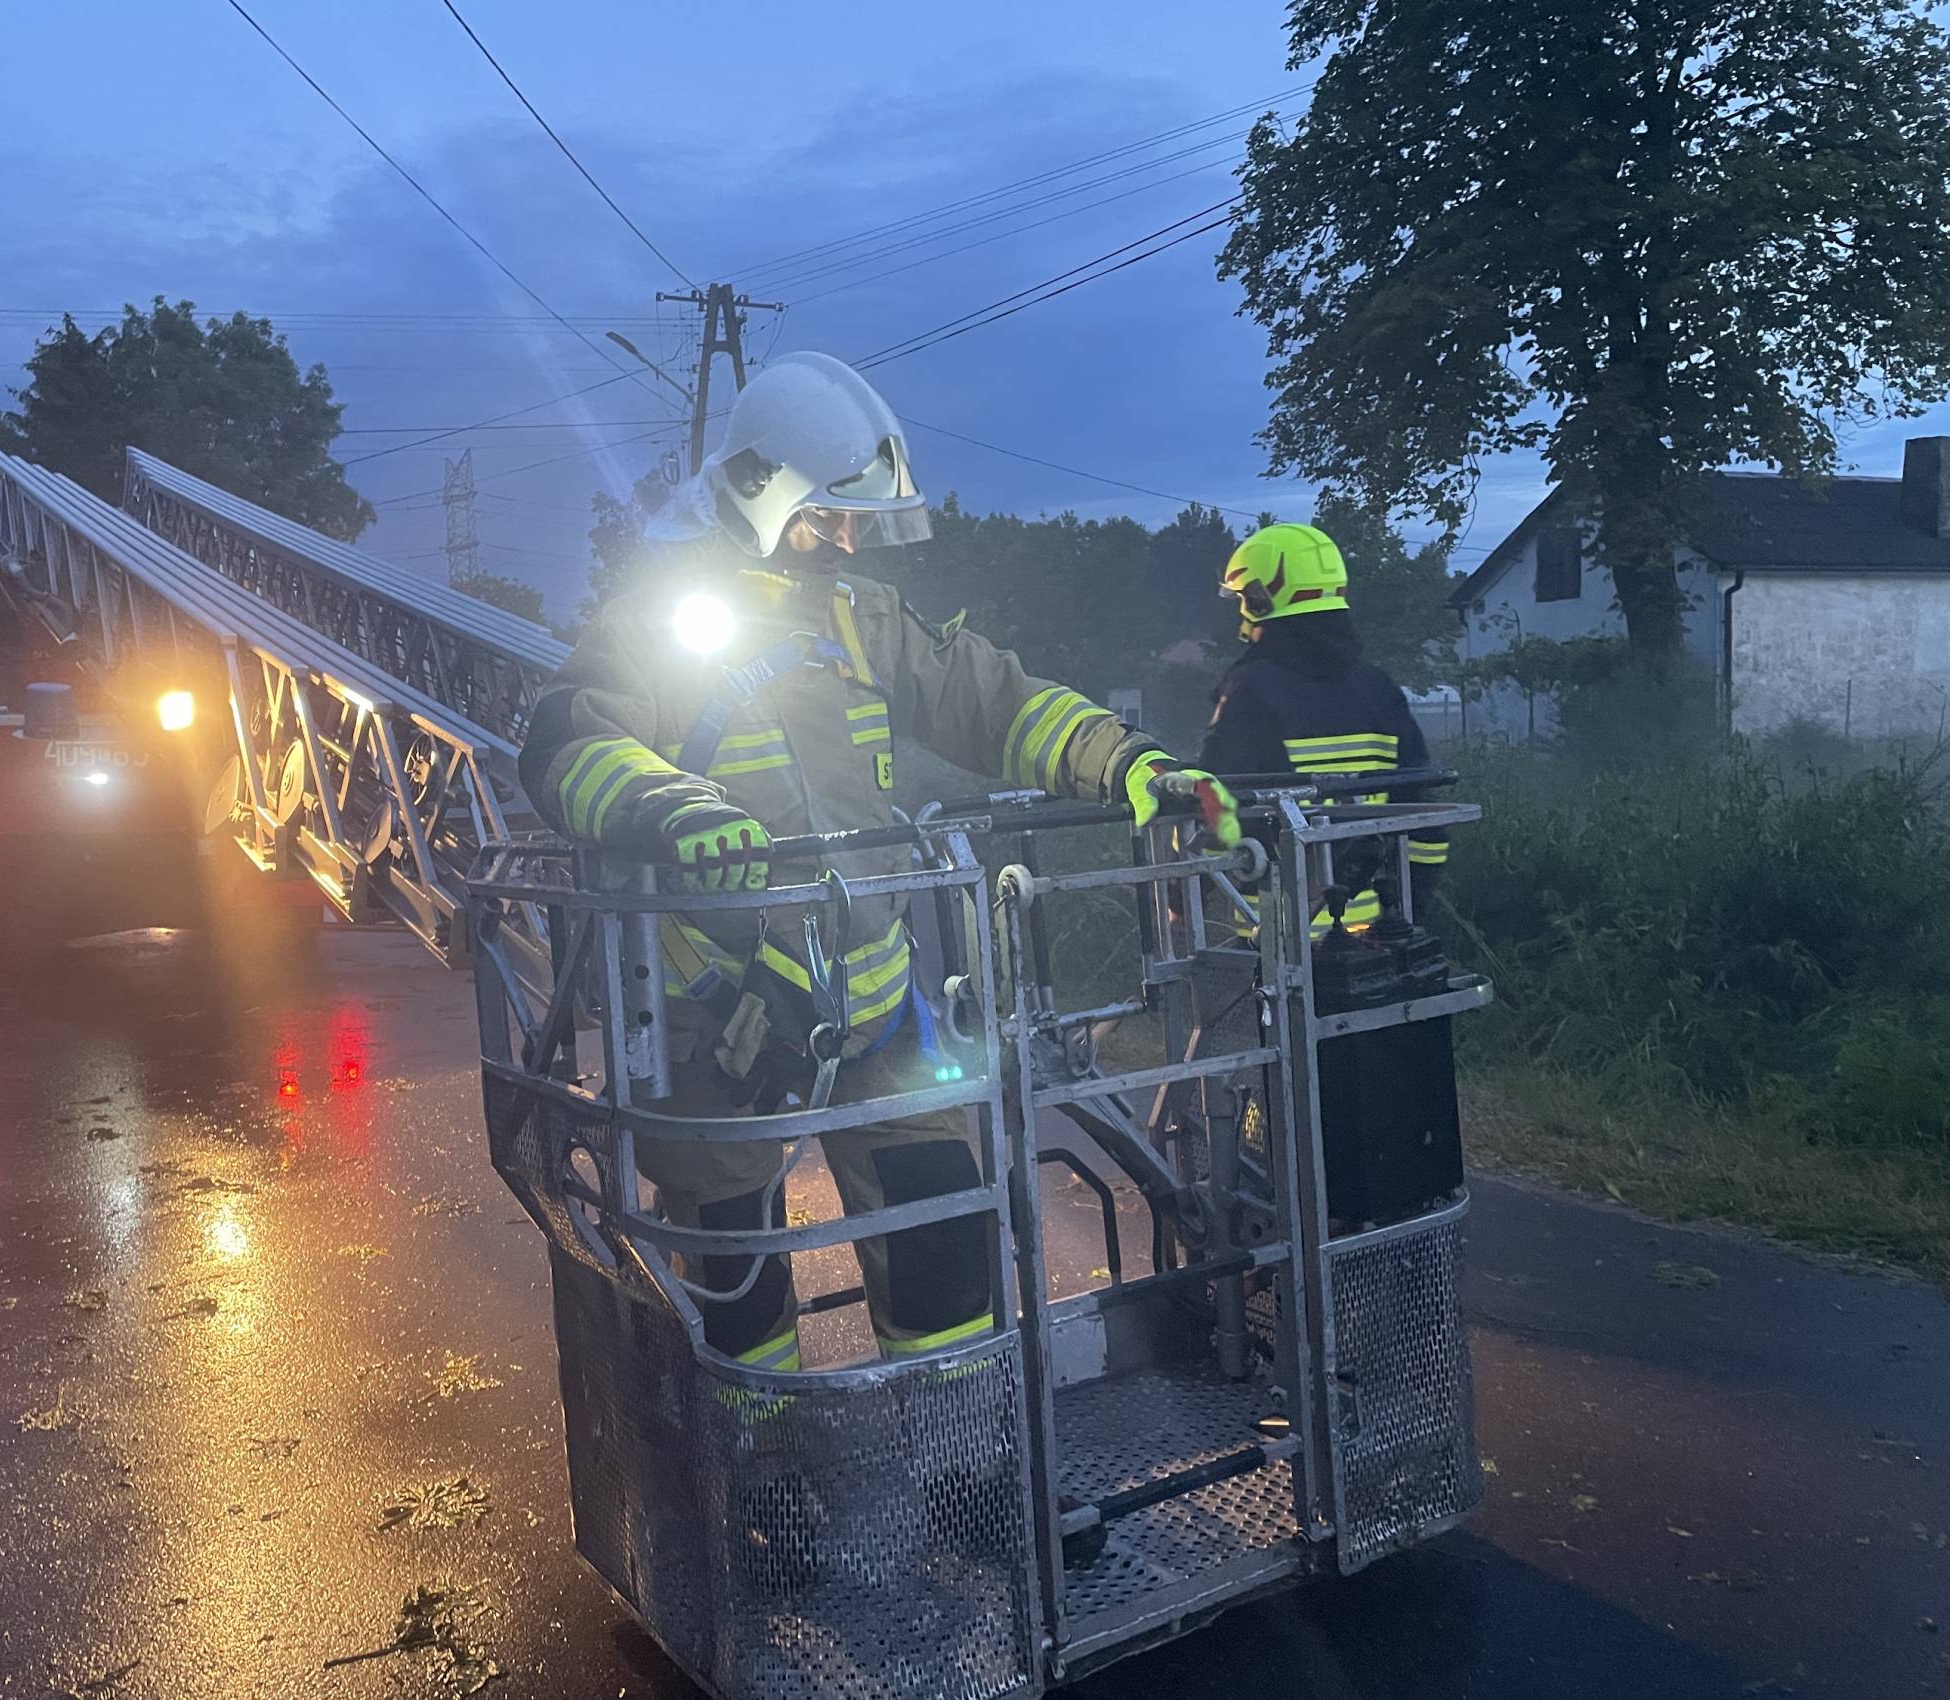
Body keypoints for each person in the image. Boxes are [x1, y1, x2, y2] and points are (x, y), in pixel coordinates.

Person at [520, 351, 1238, 1371]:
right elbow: (568, 741)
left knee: (945, 1247)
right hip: (723, 1026)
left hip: (879, 1007)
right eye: (826, 518)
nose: (847, 540)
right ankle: (752, 1459)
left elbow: (998, 703)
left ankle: (949, 1445)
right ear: (758, 492)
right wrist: (671, 805)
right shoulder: (653, 625)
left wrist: (1130, 763)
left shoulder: (864, 620)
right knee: (736, 1288)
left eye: (856, 520)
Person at [1199, 521, 1449, 929]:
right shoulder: (1379, 689)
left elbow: (1211, 804)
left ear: (1261, 600)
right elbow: (1425, 820)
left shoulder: (1250, 692)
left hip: (1277, 943)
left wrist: (1180, 898)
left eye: (1243, 598)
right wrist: (1408, 918)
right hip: (1376, 938)